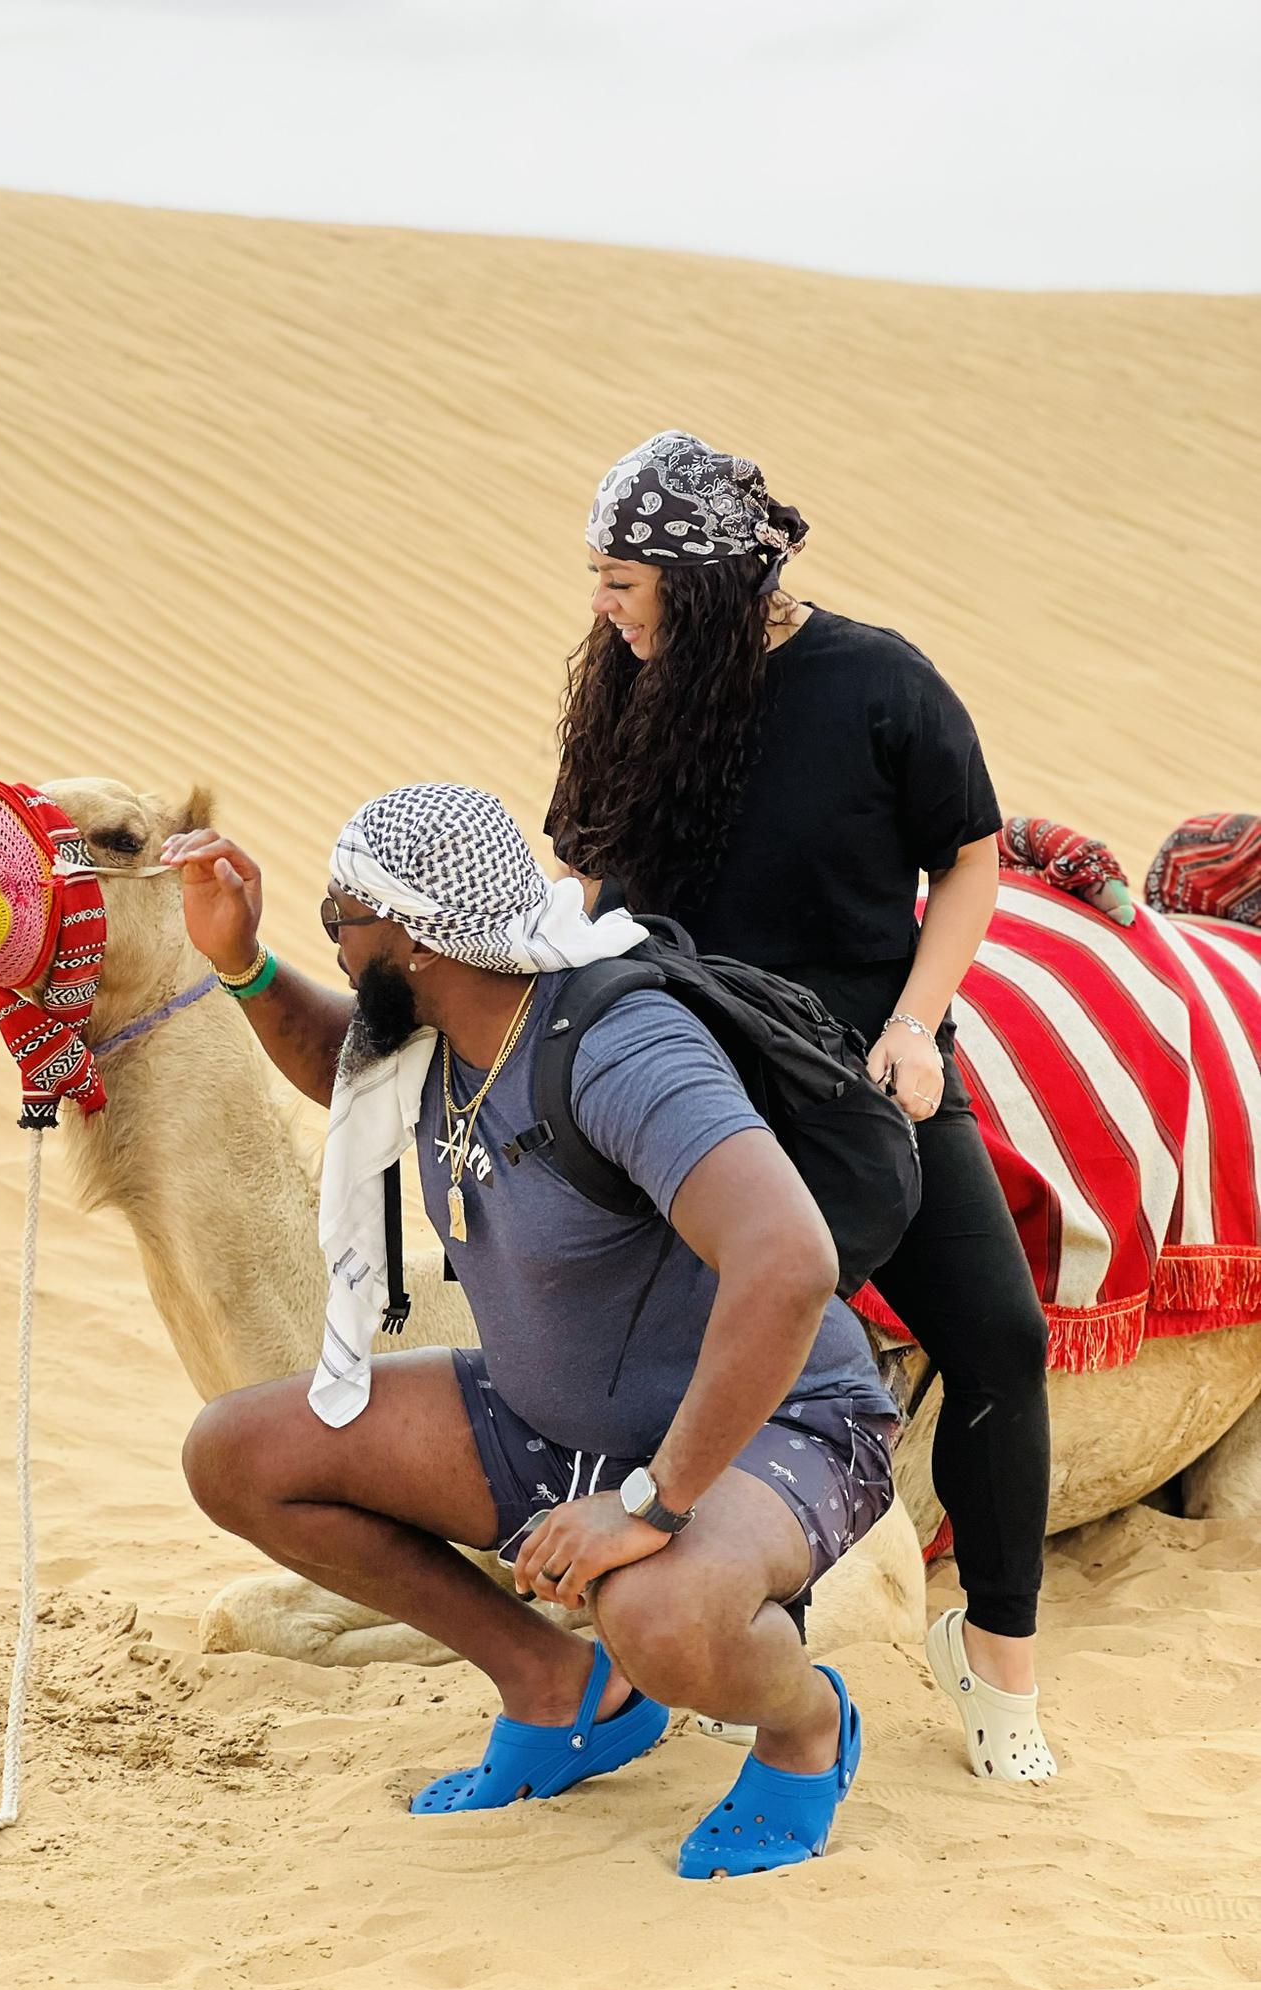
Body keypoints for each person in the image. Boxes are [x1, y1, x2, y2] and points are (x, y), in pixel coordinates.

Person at [161, 782, 900, 1877]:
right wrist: (242, 961)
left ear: (416, 938)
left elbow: (790, 1261)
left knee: (661, 1614)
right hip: (552, 1419)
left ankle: (805, 1729)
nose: (337, 942)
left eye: (339, 918)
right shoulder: (447, 1027)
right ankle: (557, 1687)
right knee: (238, 1454)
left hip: (774, 1425)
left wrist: (652, 1502)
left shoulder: (618, 1050)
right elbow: (341, 1067)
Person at [548, 431, 1057, 1783]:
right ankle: (694, 1636)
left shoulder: (879, 682)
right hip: (689, 1080)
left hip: (865, 1073)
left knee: (1001, 1339)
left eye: (622, 581)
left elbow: (969, 858)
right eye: (598, 577)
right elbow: (594, 892)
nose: (601, 605)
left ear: (707, 584)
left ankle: (997, 1660)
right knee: (681, 1351)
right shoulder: (629, 681)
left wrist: (915, 1026)